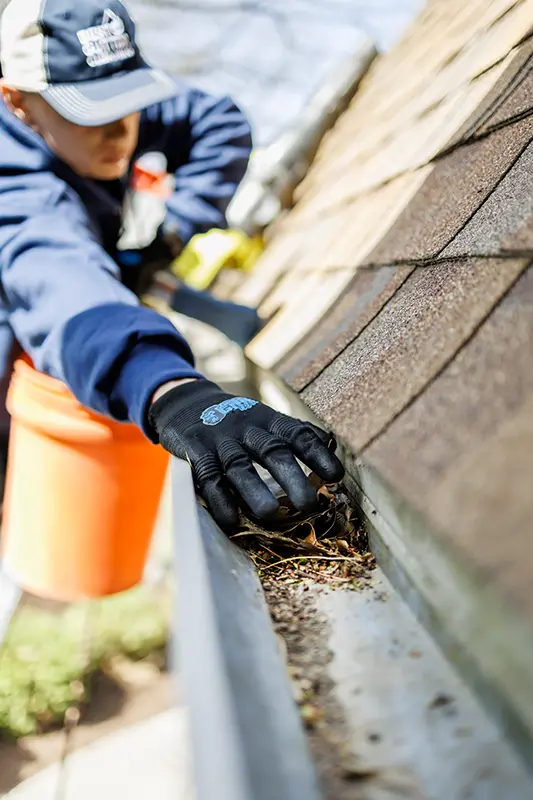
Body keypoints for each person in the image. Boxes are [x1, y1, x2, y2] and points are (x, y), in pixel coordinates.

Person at [0, 0, 344, 530]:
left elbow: (217, 122)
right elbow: (64, 290)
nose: (120, 131)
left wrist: (172, 233)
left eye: (127, 100)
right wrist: (171, 389)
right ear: (18, 100)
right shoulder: (16, 189)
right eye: (90, 109)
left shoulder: (103, 119)